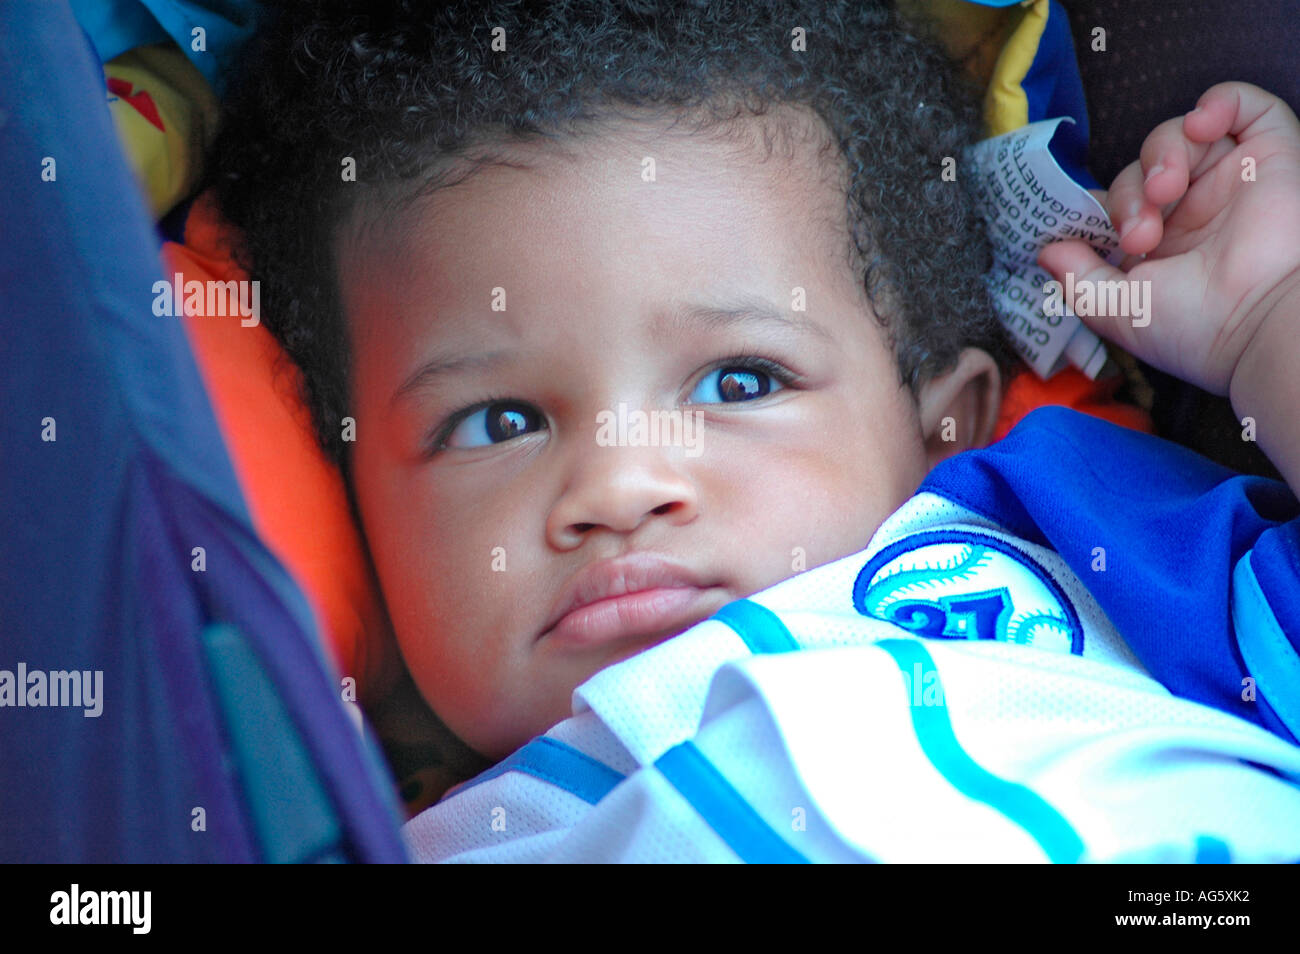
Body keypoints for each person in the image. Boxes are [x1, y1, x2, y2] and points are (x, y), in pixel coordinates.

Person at [209, 0, 1300, 861]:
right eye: (498, 421)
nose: (624, 484)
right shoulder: (413, 838)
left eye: (738, 382)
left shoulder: (1073, 545)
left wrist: (1269, 321)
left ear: (946, 427)